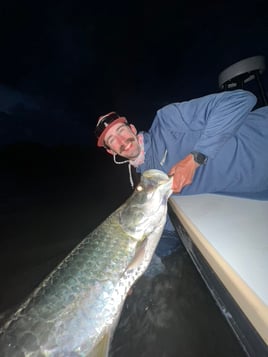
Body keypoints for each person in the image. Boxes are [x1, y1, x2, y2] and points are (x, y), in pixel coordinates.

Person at [95, 89, 268, 256]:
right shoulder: (148, 180)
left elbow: (241, 99)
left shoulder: (167, 122)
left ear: (132, 129)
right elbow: (169, 226)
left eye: (121, 130)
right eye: (112, 140)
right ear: (112, 151)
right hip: (260, 190)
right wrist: (141, 264)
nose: (121, 140)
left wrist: (195, 159)